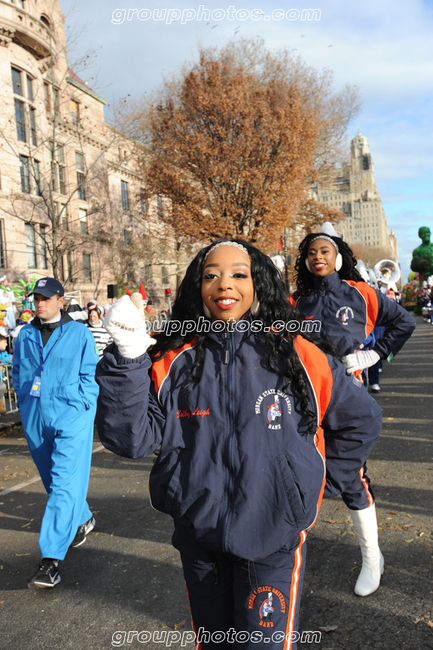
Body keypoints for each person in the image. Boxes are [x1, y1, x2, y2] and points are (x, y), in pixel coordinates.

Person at [95, 239, 382, 649]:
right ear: (197, 286)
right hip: (199, 540)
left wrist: (313, 485)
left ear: (258, 283)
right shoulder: (173, 360)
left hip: (272, 539)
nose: (223, 284)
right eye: (211, 274)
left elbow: (361, 419)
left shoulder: (298, 354)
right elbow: (131, 439)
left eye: (238, 274)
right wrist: (126, 358)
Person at [292, 223, 416, 597]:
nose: (318, 257)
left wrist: (374, 353)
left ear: (338, 257)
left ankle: (371, 557)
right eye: (312, 252)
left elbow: (403, 322)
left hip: (349, 397)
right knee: (300, 467)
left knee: (352, 476)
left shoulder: (362, 293)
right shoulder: (296, 302)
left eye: (325, 251)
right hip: (308, 398)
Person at [12, 277, 99, 589]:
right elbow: (19, 370)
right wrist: (23, 400)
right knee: (51, 478)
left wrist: (84, 405)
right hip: (35, 413)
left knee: (63, 482)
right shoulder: (25, 334)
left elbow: (90, 373)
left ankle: (50, 561)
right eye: (37, 297)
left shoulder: (78, 333)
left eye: (47, 298)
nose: (40, 303)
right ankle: (83, 517)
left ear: (61, 300)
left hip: (71, 414)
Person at [0, 326, 13, 414]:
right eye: (4, 342)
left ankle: (1, 406)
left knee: (2, 386)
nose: (6, 344)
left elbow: (11, 358)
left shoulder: (3, 355)